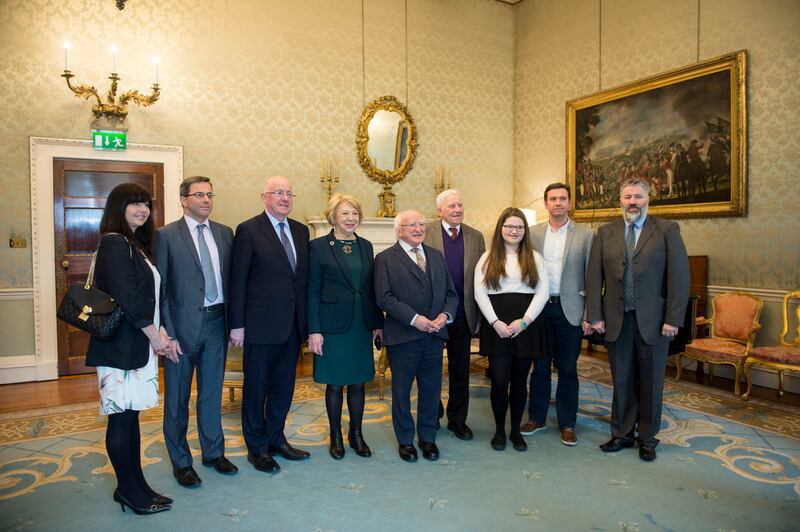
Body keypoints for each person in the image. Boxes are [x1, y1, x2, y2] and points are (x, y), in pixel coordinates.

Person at [85, 183, 176, 515]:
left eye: (146, 204)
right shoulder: (113, 243)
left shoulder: (133, 244)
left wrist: (156, 333)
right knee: (120, 420)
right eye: (134, 204)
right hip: (120, 348)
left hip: (135, 345)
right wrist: (156, 336)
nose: (143, 209)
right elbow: (128, 297)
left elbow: (147, 298)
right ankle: (127, 490)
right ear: (117, 208)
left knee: (131, 418)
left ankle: (137, 484)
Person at [586, 177, 690, 462]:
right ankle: (621, 433)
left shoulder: (667, 230)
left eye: (638, 197)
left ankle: (647, 438)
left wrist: (673, 319)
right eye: (628, 197)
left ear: (648, 200)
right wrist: (594, 315)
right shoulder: (605, 232)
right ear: (620, 201)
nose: (633, 202)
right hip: (617, 320)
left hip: (654, 321)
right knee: (621, 379)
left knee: (651, 381)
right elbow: (594, 277)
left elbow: (679, 277)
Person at [156, 176, 237, 488]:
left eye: (210, 195)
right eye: (199, 195)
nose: (206, 200)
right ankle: (181, 462)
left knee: (211, 394)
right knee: (177, 399)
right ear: (183, 199)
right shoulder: (165, 236)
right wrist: (167, 332)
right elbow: (161, 288)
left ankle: (214, 453)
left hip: (217, 322)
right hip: (181, 328)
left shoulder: (224, 233)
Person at [228, 176, 311, 474]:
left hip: (292, 327)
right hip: (259, 326)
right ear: (264, 197)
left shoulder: (301, 231)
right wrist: (236, 324)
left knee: (283, 388)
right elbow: (238, 280)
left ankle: (277, 438)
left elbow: (302, 281)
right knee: (257, 388)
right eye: (278, 193)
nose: (285, 198)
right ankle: (257, 448)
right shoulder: (249, 230)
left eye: (289, 193)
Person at [374, 210, 458, 462]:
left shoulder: (435, 255)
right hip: (403, 337)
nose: (418, 228)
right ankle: (405, 440)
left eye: (421, 224)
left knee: (431, 390)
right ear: (400, 229)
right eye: (412, 225)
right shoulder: (385, 259)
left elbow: (451, 294)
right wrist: (415, 320)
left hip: (434, 336)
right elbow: (384, 297)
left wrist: (445, 316)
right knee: (401, 391)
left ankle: (428, 438)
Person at [307, 194, 384, 460]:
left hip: (360, 325)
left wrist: (376, 323)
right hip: (331, 327)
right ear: (333, 217)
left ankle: (357, 434)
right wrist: (313, 329)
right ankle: (336, 436)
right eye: (344, 214)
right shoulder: (317, 247)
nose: (350, 218)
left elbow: (371, 288)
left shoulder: (366, 246)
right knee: (336, 384)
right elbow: (312, 290)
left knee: (359, 383)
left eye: (354, 213)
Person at [521, 183, 593, 446]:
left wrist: (589, 313)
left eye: (563, 198)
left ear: (570, 203)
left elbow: (591, 277)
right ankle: (536, 417)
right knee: (539, 367)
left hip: (570, 308)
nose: (558, 203)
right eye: (553, 199)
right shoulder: (533, 233)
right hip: (539, 307)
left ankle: (567, 423)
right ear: (545, 203)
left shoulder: (586, 235)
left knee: (567, 369)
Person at [474, 207, 549, 452]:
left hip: (525, 325)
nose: (514, 231)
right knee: (498, 380)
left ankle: (516, 431)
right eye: (509, 226)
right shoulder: (487, 257)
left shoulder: (535, 258)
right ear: (501, 229)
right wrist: (495, 322)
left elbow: (543, 293)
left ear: (524, 231)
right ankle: (499, 431)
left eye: (519, 227)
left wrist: (524, 321)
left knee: (519, 382)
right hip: (497, 325)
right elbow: (480, 293)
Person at [423, 189, 485, 440]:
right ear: (440, 210)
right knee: (432, 369)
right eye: (452, 206)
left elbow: (482, 278)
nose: (457, 210)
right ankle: (432, 414)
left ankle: (458, 419)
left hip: (462, 314)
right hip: (433, 315)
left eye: (460, 205)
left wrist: (480, 317)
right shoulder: (425, 231)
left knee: (461, 370)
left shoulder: (476, 236)